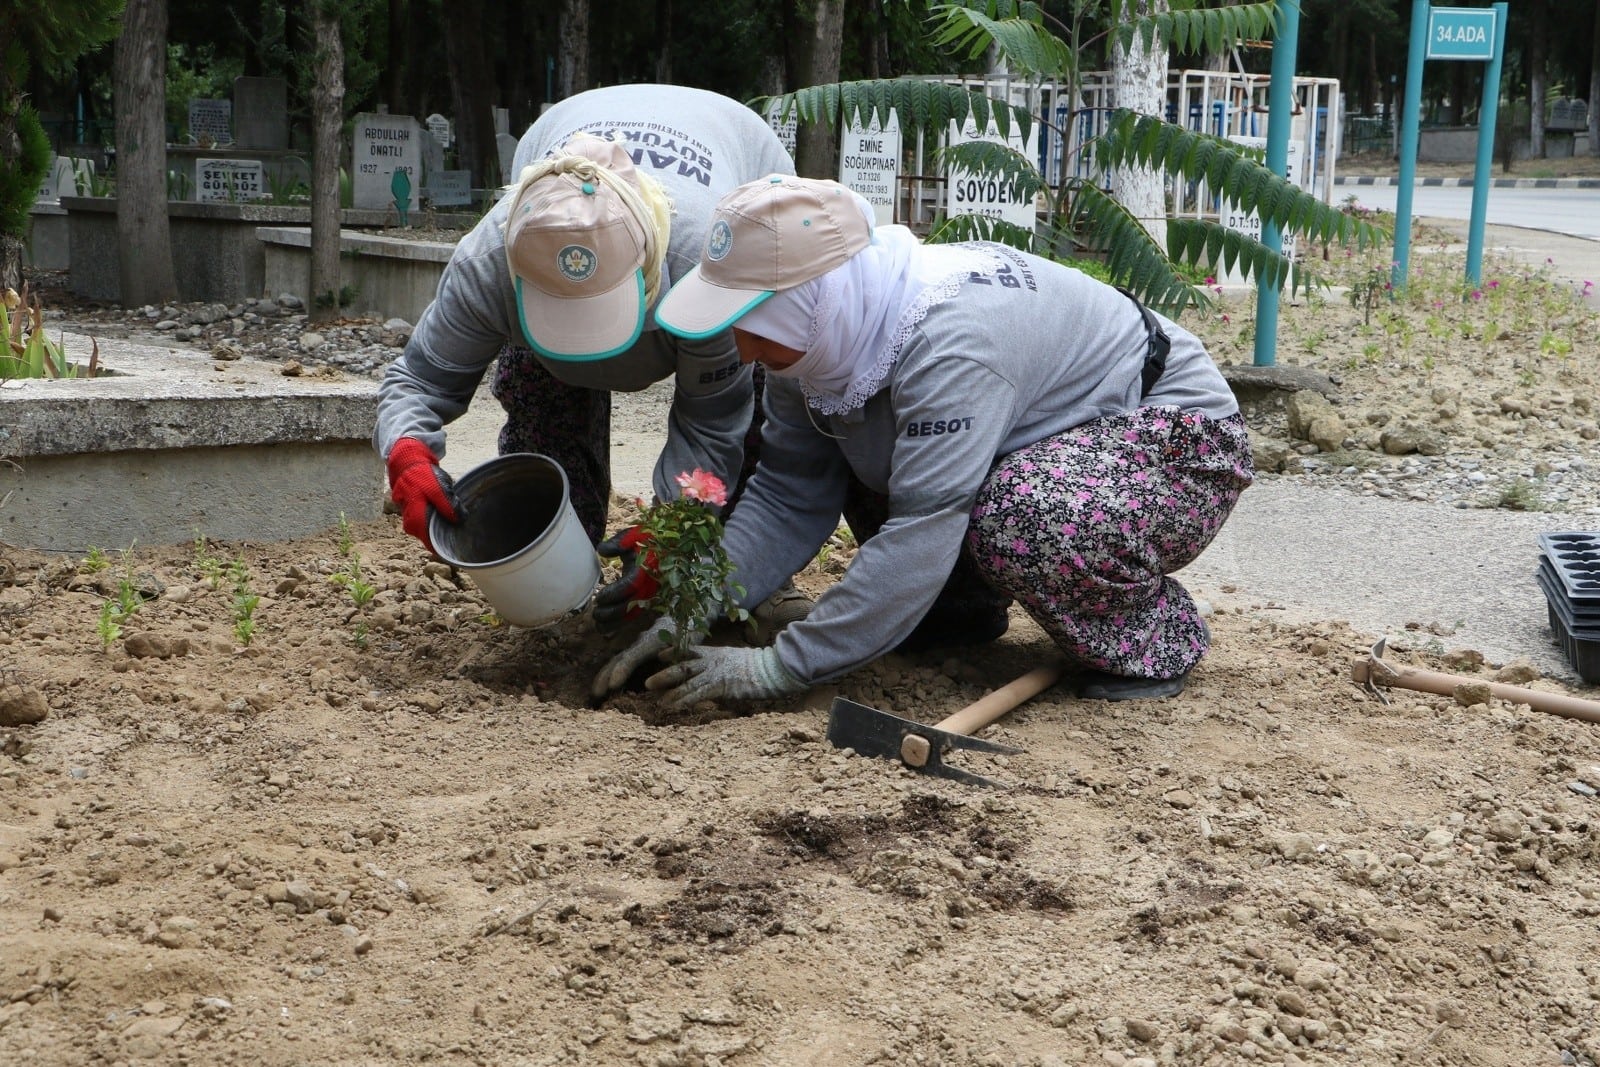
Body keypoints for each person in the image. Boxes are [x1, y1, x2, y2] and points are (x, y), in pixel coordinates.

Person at [594, 175, 1254, 708]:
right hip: (1047, 440)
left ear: (805, 304)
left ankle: (1146, 638)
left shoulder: (948, 343)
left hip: (1173, 444)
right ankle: (957, 609)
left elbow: (921, 528)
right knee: (872, 440)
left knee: (1022, 513)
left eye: (751, 325)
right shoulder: (825, 338)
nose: (739, 349)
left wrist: (776, 669)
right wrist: (694, 603)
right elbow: (790, 491)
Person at [374, 85, 811, 634]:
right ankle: (565, 581)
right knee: (538, 398)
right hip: (566, 137)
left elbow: (714, 417)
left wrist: (671, 526)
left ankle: (754, 578)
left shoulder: (707, 265)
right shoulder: (489, 261)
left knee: (761, 386)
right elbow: (417, 379)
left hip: (737, 153)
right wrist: (408, 455)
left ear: (648, 271)